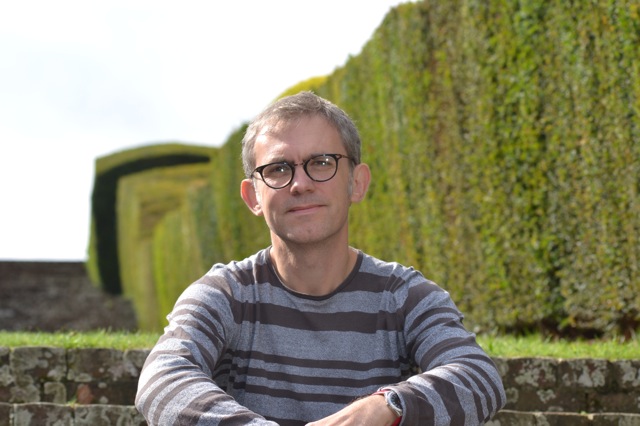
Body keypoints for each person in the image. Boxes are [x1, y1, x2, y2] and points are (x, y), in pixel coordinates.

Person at [135, 91, 506, 425]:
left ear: (357, 182)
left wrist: (384, 406)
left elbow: (478, 376)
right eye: (278, 169)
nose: (301, 184)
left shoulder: (405, 296)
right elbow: (162, 379)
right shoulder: (225, 294)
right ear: (253, 197)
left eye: (322, 162)